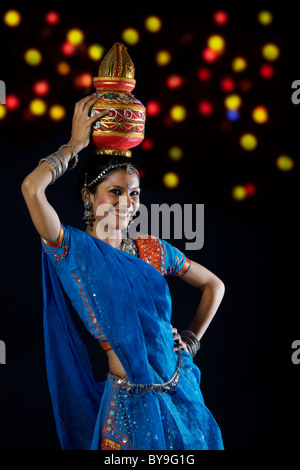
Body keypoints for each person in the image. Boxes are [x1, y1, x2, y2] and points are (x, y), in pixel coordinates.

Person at [21, 94, 225, 450]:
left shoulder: (152, 249)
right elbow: (31, 189)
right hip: (128, 408)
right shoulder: (72, 251)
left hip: (181, 394)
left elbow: (213, 285)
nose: (126, 203)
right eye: (114, 192)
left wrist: (190, 341)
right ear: (88, 196)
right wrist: (74, 145)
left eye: (134, 194)